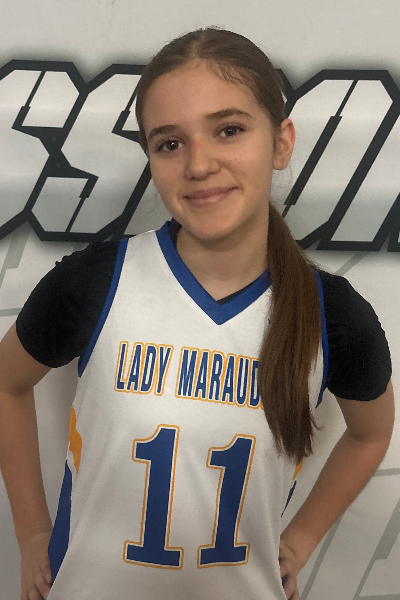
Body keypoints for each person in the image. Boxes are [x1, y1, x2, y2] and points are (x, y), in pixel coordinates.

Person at [0, 27, 394, 600]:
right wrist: (33, 532)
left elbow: (372, 433)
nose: (199, 164)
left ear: (281, 142)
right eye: (170, 143)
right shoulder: (98, 281)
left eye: (229, 129)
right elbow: (7, 382)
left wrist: (303, 538)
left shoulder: (332, 315)